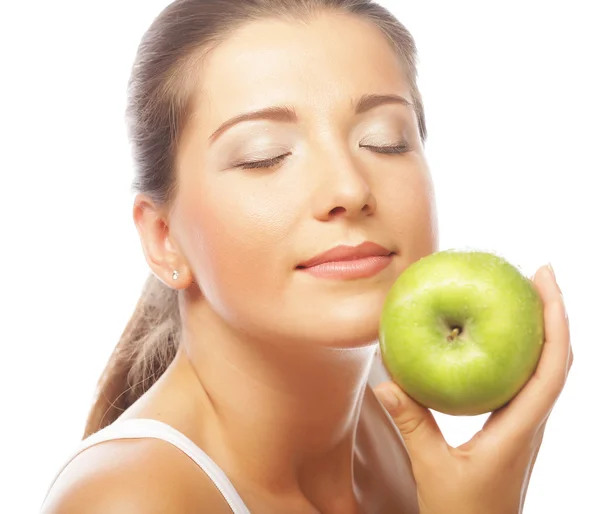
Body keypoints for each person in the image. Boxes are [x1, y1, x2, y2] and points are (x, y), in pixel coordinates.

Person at [40, 0, 573, 512]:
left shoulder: (390, 403)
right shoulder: (131, 501)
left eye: (384, 141)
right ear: (163, 238)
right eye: (264, 156)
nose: (348, 186)